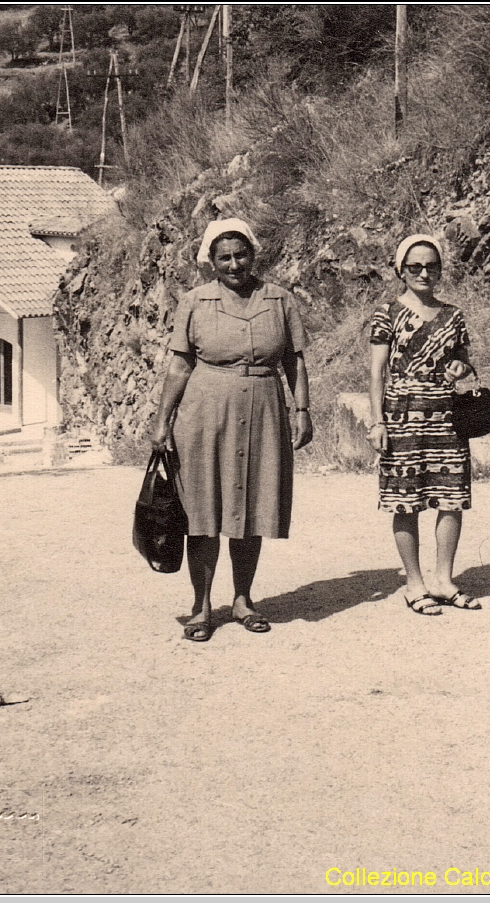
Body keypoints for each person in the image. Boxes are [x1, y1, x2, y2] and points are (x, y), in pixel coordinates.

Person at [150, 218, 314, 641]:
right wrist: (161, 419)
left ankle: (243, 600)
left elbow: (294, 362)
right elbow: (180, 364)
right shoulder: (194, 301)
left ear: (253, 254)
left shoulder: (280, 300)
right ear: (210, 261)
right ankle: (201, 606)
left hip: (264, 408)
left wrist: (302, 410)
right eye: (224, 257)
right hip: (205, 412)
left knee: (253, 507)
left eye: (241, 254)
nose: (234, 264)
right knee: (203, 510)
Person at [368, 235, 481, 616]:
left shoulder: (454, 315)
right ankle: (414, 582)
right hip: (401, 414)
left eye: (431, 266)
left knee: (451, 498)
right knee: (405, 500)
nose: (423, 273)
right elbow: (376, 371)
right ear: (401, 269)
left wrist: (460, 368)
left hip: (446, 415)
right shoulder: (386, 312)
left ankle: (443, 580)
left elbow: (467, 365)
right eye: (414, 266)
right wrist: (376, 421)